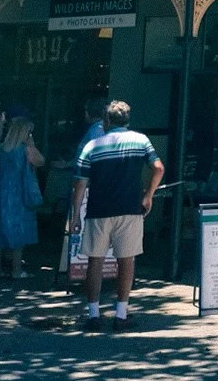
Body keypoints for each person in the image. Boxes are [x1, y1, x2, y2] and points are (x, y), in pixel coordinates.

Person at [70, 100, 163, 327]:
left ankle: (93, 314)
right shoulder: (141, 141)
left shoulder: (92, 145)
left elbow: (80, 184)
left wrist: (75, 216)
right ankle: (121, 314)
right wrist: (148, 194)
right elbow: (158, 168)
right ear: (128, 119)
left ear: (106, 120)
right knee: (126, 261)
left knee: (95, 261)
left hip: (98, 210)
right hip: (130, 209)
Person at [0, 109, 45, 279]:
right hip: (20, 196)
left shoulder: (0, 150)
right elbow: (41, 161)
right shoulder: (26, 150)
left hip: (0, 195)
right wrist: (31, 144)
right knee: (19, 234)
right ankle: (16, 270)